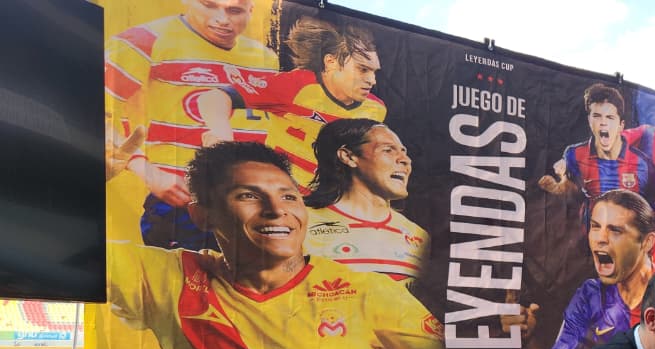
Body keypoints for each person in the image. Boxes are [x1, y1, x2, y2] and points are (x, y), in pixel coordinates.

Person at [106, 142, 444, 349]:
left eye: (289, 196)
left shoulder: (365, 291)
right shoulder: (165, 278)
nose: (276, 209)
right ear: (201, 215)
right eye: (248, 196)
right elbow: (78, 253)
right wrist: (97, 176)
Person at [105, 0, 276, 250]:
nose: (222, 19)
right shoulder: (143, 41)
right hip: (182, 203)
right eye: (209, 5)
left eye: (234, 10)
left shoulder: (265, 58)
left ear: (251, 10)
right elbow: (92, 111)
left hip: (250, 205)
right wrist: (150, 173)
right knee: (181, 275)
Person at [197, 17, 385, 188]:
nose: (372, 80)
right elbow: (213, 98)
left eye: (374, 72)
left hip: (329, 202)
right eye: (363, 69)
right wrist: (221, 134)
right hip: (278, 195)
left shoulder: (376, 109)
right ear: (331, 62)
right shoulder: (297, 86)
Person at [305, 119, 428, 286]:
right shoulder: (299, 222)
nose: (405, 160)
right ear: (348, 156)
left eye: (404, 152)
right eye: (388, 150)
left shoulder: (419, 236)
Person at [545, 189, 655, 349]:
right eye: (595, 227)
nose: (600, 239)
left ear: (646, 242)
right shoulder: (590, 294)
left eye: (615, 230)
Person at [538, 83, 655, 206]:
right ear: (589, 120)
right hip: (591, 221)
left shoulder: (643, 164)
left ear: (621, 125)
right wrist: (561, 187)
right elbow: (575, 197)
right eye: (597, 116)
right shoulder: (573, 155)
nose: (603, 122)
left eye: (610, 117)